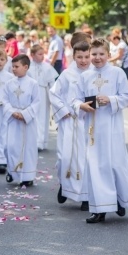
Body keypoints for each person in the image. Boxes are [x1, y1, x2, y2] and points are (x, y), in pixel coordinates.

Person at [74, 38, 128, 223]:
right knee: (96, 167)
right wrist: (81, 106)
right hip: (93, 130)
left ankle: (119, 199)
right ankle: (99, 209)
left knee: (116, 165)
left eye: (101, 54)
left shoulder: (117, 73)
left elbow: (127, 96)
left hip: (112, 127)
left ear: (109, 55)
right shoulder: (85, 76)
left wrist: (111, 99)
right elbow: (76, 99)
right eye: (94, 54)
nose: (97, 57)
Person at [50, 40, 91, 207]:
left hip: (86, 122)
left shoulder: (94, 74)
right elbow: (54, 94)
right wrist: (63, 110)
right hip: (69, 121)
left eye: (86, 57)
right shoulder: (67, 74)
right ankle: (64, 185)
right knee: (64, 157)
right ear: (73, 57)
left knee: (85, 159)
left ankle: (85, 197)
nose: (83, 60)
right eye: (80, 57)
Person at [3, 54, 40, 187]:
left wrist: (24, 114)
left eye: (16, 66)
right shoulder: (9, 84)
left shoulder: (33, 84)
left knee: (28, 148)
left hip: (27, 121)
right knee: (10, 146)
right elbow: (4, 100)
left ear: (25, 67)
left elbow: (36, 102)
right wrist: (12, 112)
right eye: (12, 66)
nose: (13, 69)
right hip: (13, 119)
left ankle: (28, 176)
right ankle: (13, 172)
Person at [28, 44, 59, 150]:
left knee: (42, 117)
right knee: (33, 117)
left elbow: (52, 84)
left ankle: (41, 142)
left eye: (43, 54)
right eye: (39, 54)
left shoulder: (47, 67)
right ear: (32, 55)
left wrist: (53, 97)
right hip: (31, 93)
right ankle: (33, 141)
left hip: (43, 93)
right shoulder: (28, 67)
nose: (42, 56)